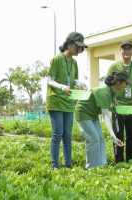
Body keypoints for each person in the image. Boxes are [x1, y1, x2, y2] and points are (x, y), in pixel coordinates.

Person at [46, 32, 87, 168]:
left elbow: (74, 80)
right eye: (78, 47)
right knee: (57, 134)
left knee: (67, 135)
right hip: (56, 101)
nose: (80, 50)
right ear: (69, 45)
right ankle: (55, 166)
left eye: (81, 47)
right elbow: (50, 80)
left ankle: (68, 165)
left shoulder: (74, 63)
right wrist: (61, 86)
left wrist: (79, 84)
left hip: (69, 102)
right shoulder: (56, 59)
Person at [75, 71, 128, 169]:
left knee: (100, 139)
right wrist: (113, 136)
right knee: (93, 138)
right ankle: (90, 168)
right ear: (119, 82)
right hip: (83, 112)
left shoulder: (112, 91)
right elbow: (106, 116)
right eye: (126, 83)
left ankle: (102, 166)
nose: (126, 86)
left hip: (93, 114)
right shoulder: (104, 92)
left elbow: (113, 107)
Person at [107, 39, 132, 162]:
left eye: (129, 48)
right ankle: (119, 161)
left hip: (131, 107)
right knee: (118, 135)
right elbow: (109, 85)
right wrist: (112, 99)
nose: (127, 51)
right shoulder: (114, 66)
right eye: (124, 48)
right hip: (117, 106)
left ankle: (129, 160)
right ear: (120, 50)